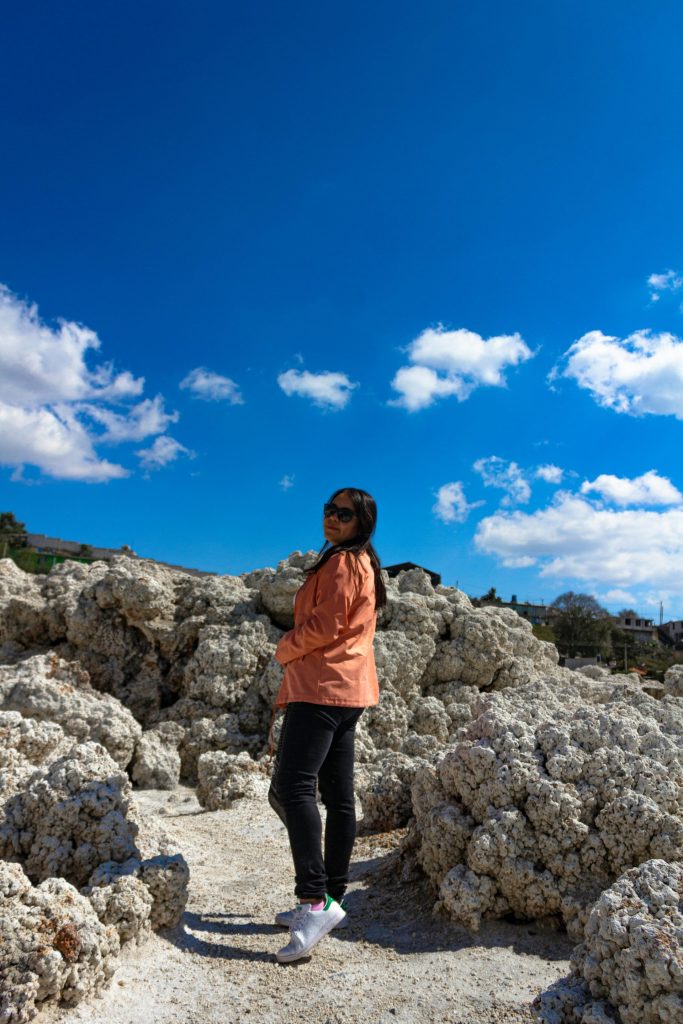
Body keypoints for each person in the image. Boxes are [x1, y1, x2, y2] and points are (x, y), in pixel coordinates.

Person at [268, 486, 386, 964]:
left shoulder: (341, 563)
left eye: (344, 514)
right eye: (329, 510)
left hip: (320, 687)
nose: (333, 519)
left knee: (291, 789)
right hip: (350, 689)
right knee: (337, 798)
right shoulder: (363, 563)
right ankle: (332, 900)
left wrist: (284, 648)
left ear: (361, 522)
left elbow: (325, 626)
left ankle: (313, 900)